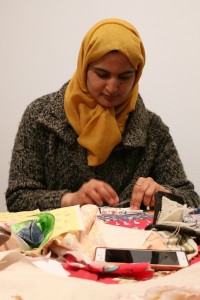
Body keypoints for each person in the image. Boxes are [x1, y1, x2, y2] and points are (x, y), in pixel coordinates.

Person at [6, 18, 200, 212]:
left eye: (124, 77)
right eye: (102, 74)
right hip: (58, 242)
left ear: (137, 74)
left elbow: (191, 199)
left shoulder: (152, 130)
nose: (112, 87)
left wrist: (162, 193)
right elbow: (18, 198)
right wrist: (70, 199)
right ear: (84, 68)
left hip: (130, 242)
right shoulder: (40, 117)